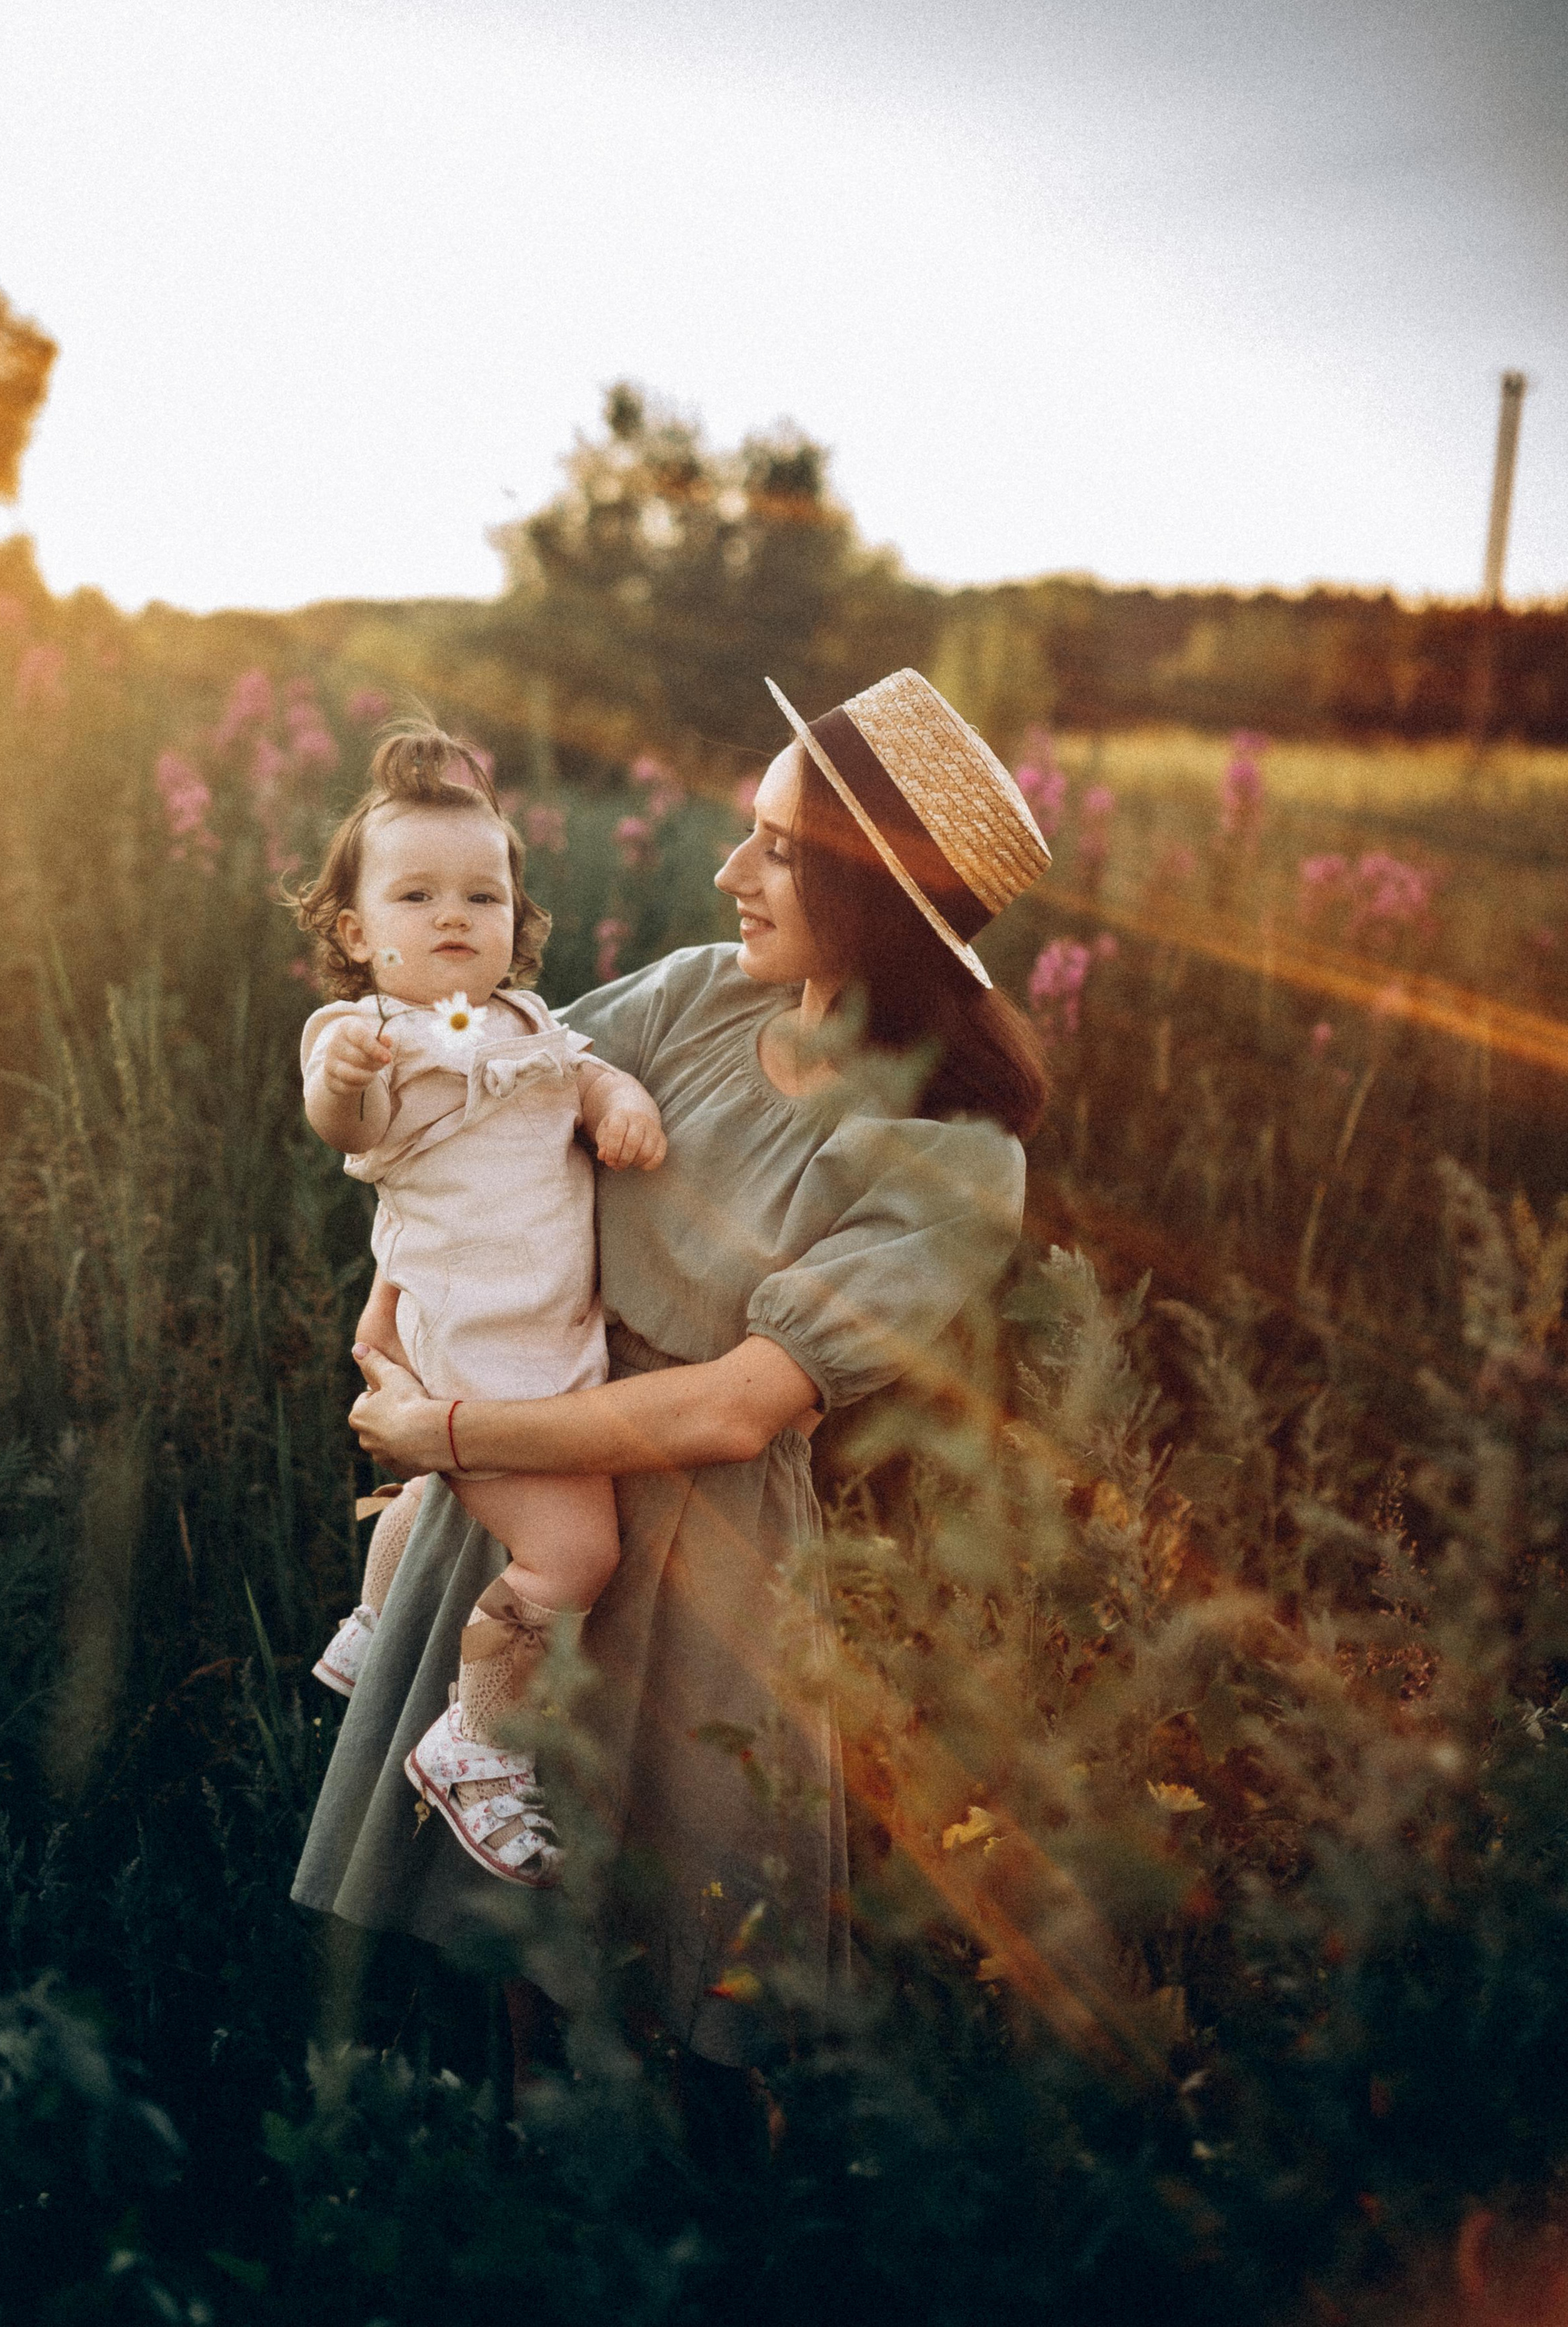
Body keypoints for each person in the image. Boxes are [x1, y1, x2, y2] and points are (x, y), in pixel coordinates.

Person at [292, 667, 1052, 2070]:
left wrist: (445, 1429)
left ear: (873, 892)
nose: (728, 870)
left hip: (695, 1555)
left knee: (667, 1973)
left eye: (774, 845)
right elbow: (485, 1110)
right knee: (493, 1943)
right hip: (528, 1480)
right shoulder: (699, 996)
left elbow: (734, 1405)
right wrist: (396, 1286)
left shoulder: (950, 1154)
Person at [294, 720, 666, 1888]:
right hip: (477, 1358)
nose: (454, 916)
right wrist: (341, 1083)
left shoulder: (522, 1024)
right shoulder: (373, 1036)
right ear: (358, 934)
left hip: (534, 1344)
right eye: (414, 896)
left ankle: (377, 1617)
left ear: (516, 917)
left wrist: (616, 1099)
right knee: (573, 1553)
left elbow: (572, 1069)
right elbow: (342, 1124)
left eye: (483, 894)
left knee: (432, 1493)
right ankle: (477, 1740)